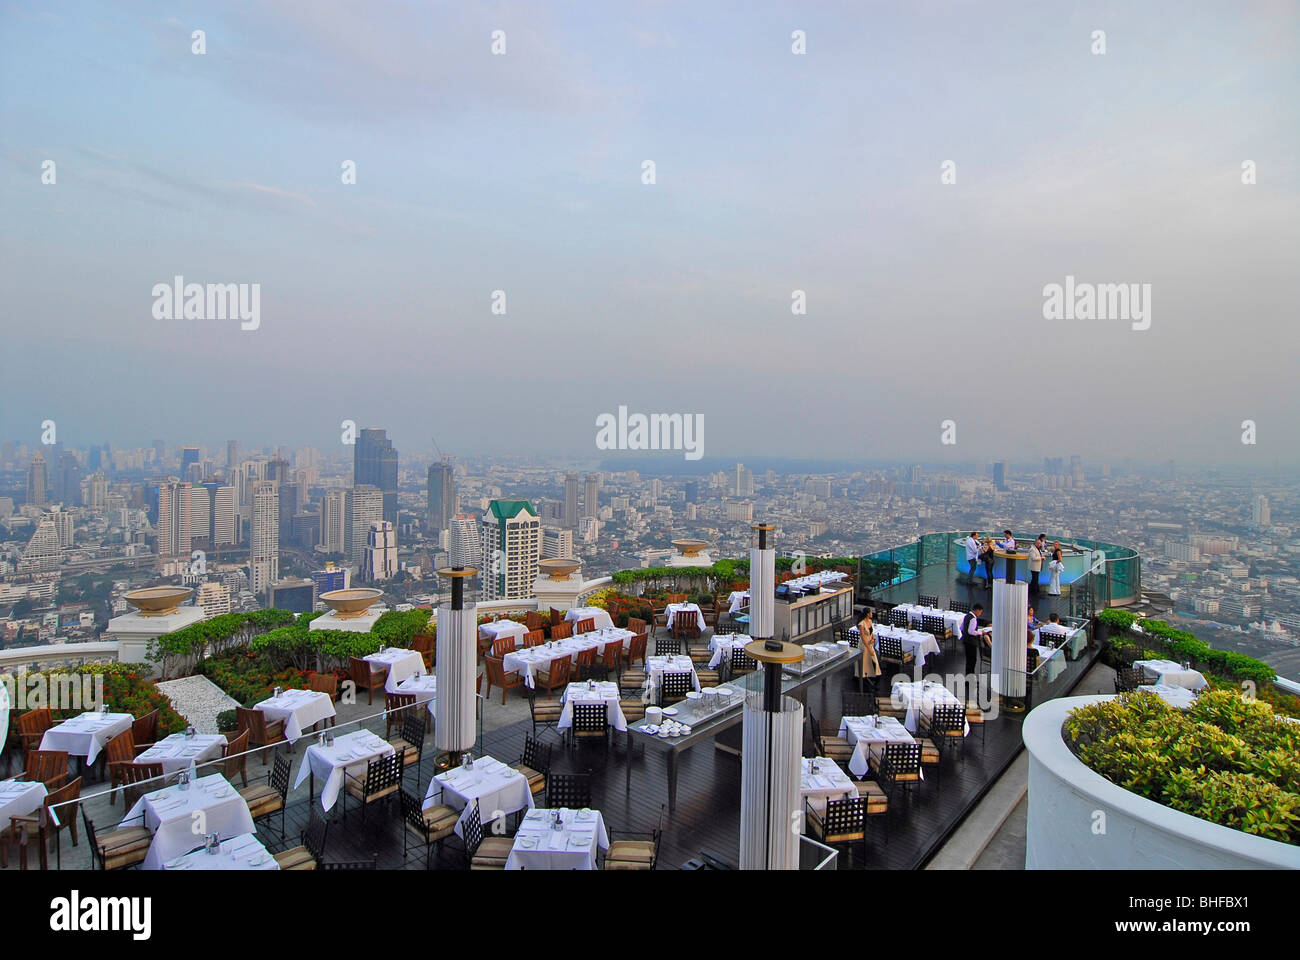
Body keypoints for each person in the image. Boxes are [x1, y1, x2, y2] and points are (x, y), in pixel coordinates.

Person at [961, 602, 991, 676]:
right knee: (972, 661)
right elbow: (971, 632)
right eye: (980, 612)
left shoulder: (967, 616)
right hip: (971, 642)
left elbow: (961, 627)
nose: (980, 614)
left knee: (969, 661)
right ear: (977, 610)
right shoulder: (973, 619)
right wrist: (981, 633)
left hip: (966, 641)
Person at [855, 609, 881, 685]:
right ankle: (862, 676)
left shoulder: (870, 621)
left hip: (869, 643)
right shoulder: (861, 624)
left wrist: (872, 638)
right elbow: (862, 637)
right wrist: (869, 648)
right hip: (864, 645)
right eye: (870, 613)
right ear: (867, 614)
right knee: (865, 661)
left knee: (873, 660)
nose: (872, 614)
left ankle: (873, 675)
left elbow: (871, 632)